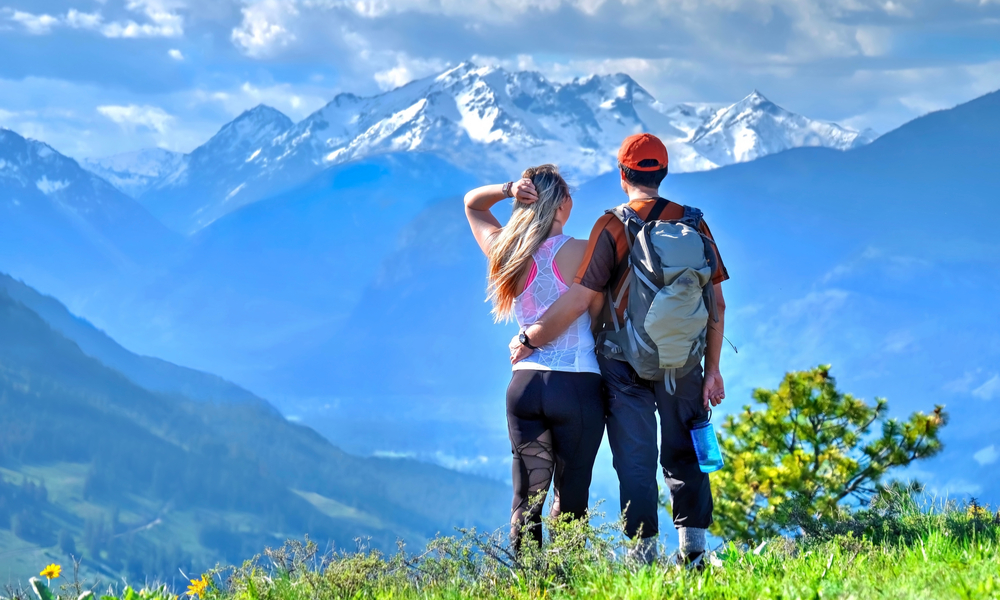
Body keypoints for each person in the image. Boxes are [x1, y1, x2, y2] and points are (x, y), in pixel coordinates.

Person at [509, 134, 729, 565]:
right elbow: (716, 302)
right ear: (662, 173)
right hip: (683, 359)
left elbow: (582, 298)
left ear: (623, 174)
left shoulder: (611, 225)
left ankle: (643, 554)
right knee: (685, 448)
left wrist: (529, 338)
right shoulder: (695, 223)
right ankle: (694, 554)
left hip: (622, 362)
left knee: (635, 455)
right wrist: (712, 370)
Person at [464, 165, 606, 551]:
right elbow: (599, 313)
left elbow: (472, 205)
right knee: (572, 501)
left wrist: (508, 189)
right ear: (564, 205)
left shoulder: (505, 250)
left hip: (524, 386)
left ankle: (529, 586)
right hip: (576, 384)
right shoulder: (582, 250)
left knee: (526, 502)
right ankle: (567, 585)